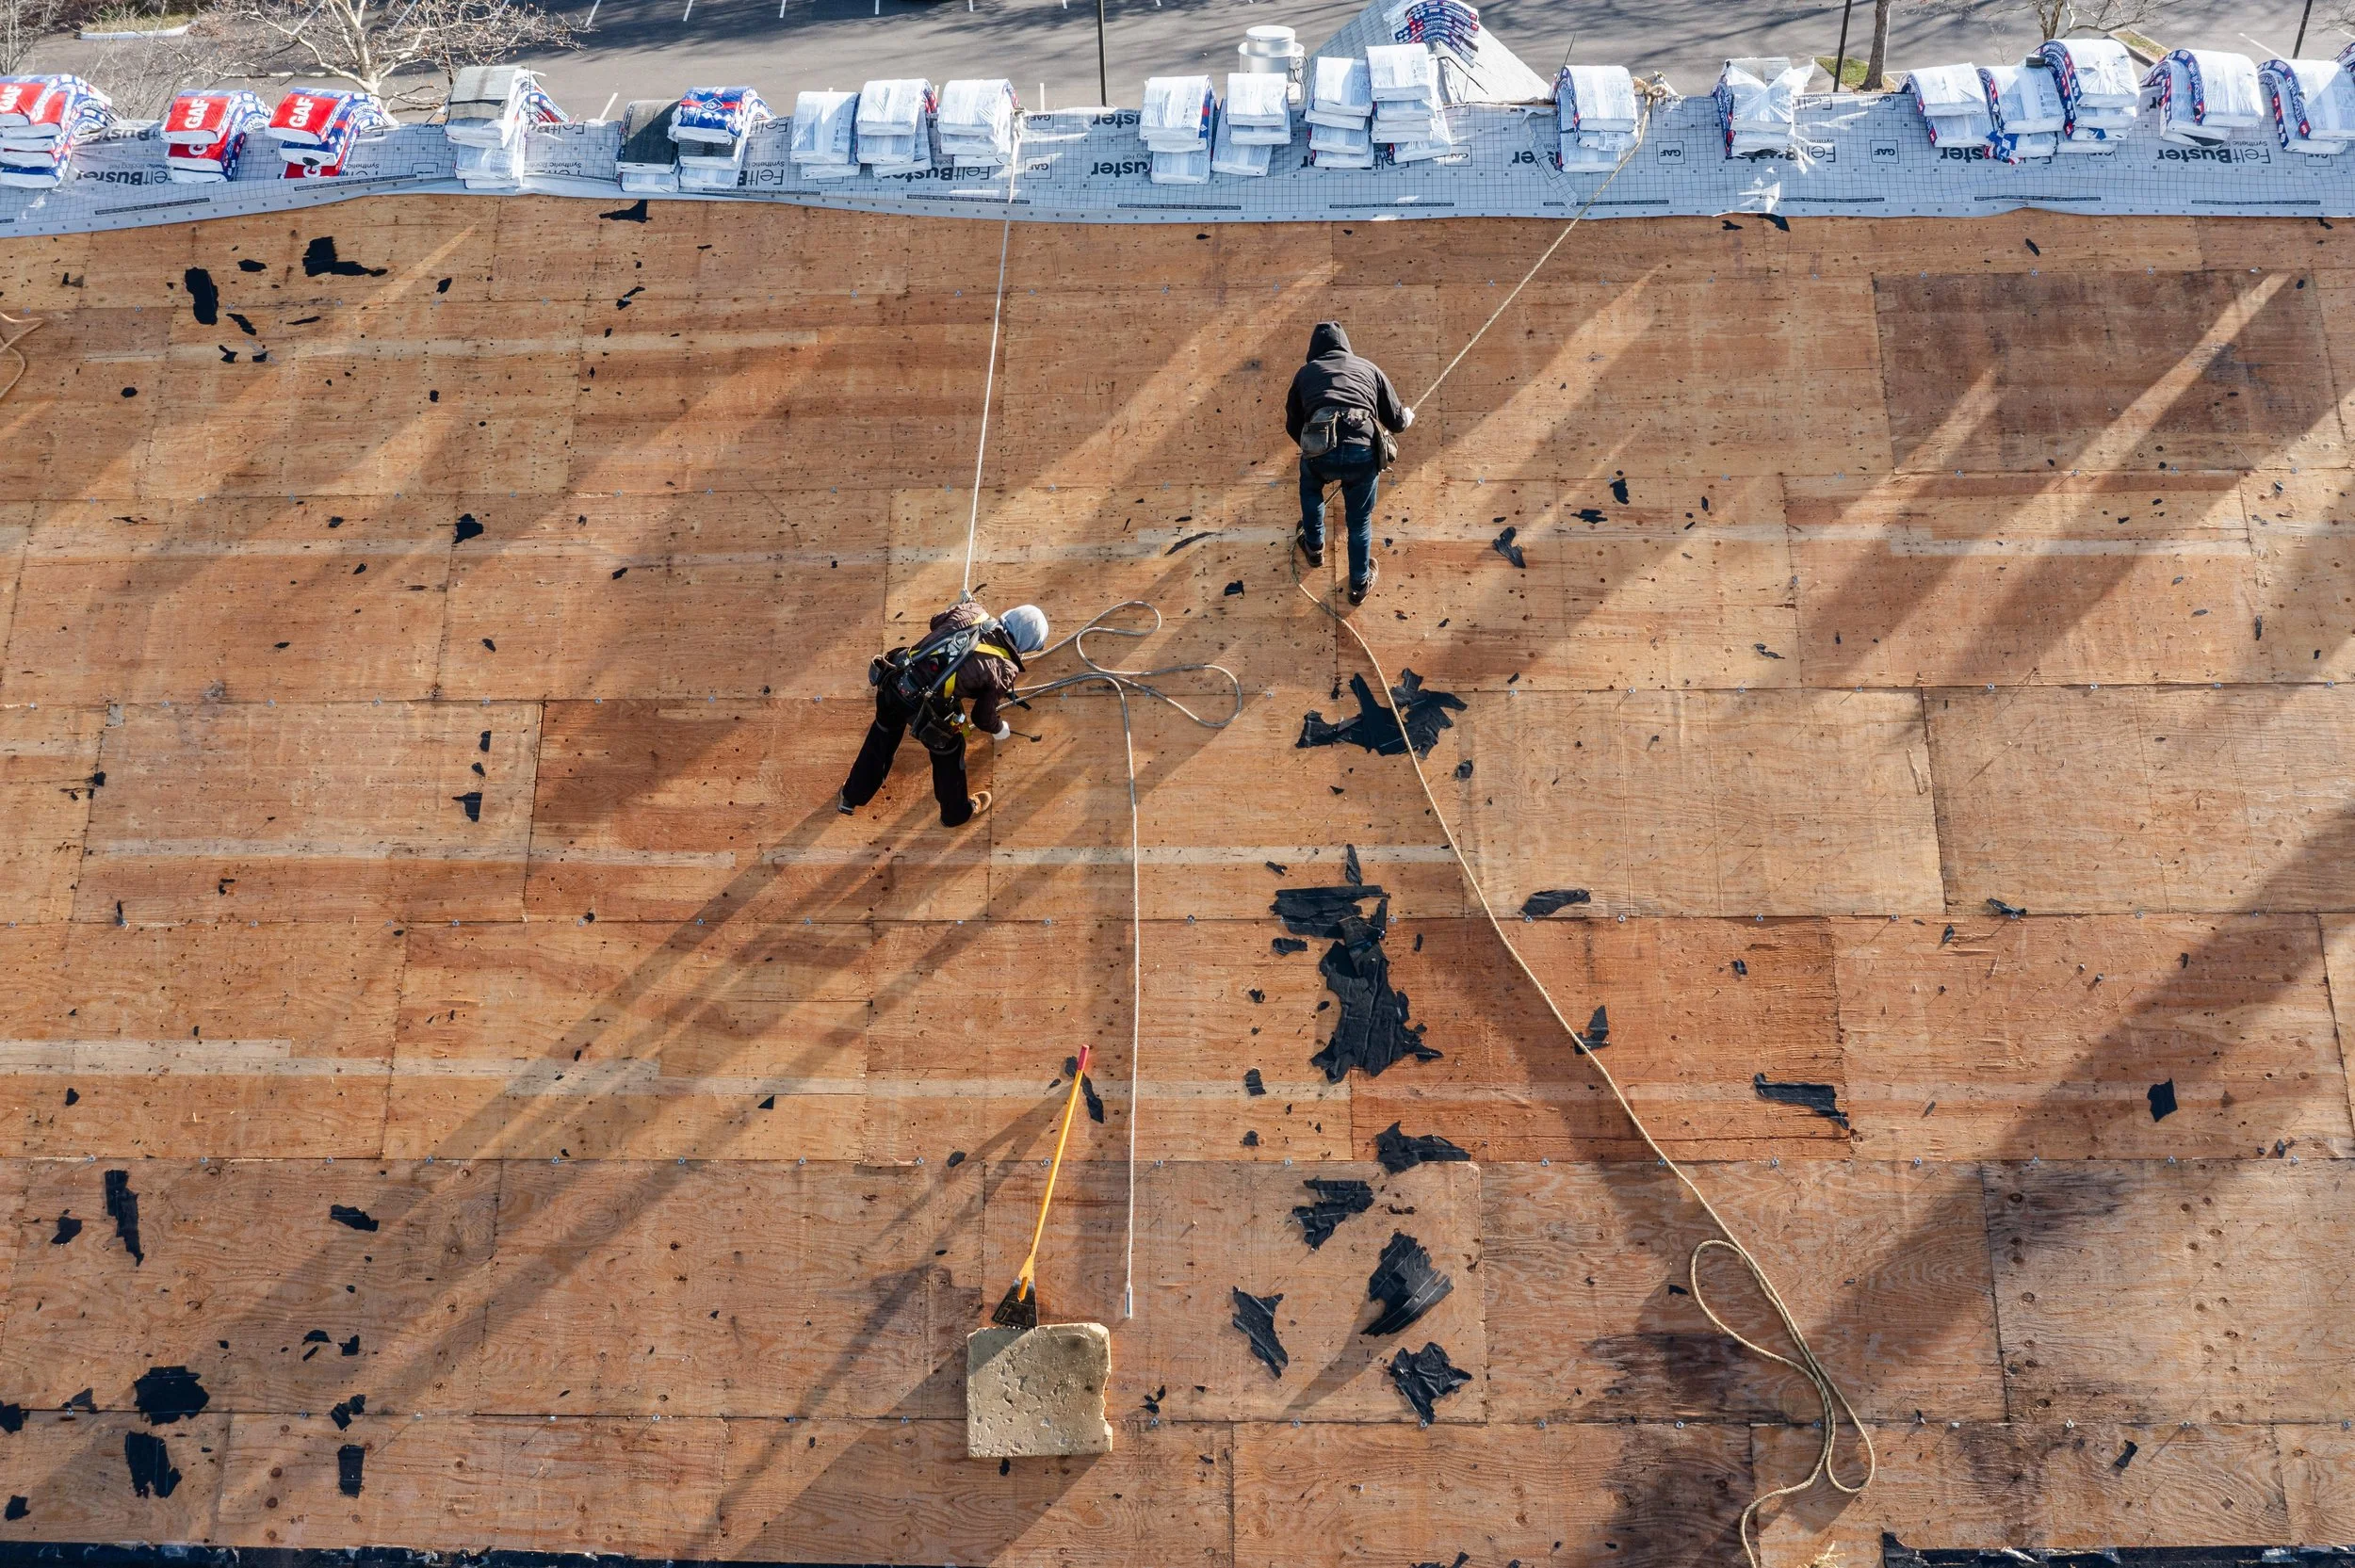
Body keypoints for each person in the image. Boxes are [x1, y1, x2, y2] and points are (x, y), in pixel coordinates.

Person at [840, 599, 1049, 827]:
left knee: (883, 735)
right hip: (922, 709)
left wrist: (959, 606)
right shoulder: (1005, 668)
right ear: (1026, 646)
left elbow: (935, 623)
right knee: (950, 750)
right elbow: (982, 717)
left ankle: (852, 796)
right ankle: (955, 814)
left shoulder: (972, 610)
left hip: (894, 680)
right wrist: (999, 728)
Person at [1286, 321, 1413, 606]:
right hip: (1363, 450)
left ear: (1313, 350)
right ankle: (1358, 586)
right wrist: (1407, 417)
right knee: (1359, 522)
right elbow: (1396, 422)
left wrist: (1311, 449)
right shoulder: (1369, 368)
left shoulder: (1306, 373)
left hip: (1321, 448)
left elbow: (1293, 423)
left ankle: (1314, 547)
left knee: (1310, 488)